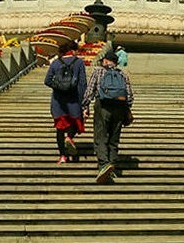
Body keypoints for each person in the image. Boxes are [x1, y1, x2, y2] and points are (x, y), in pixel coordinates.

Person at [83, 49, 134, 183]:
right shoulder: (123, 74)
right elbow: (129, 96)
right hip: (119, 107)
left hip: (103, 105)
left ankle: (104, 165)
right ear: (116, 62)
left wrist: (85, 105)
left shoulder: (98, 71)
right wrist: (126, 110)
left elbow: (90, 90)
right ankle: (112, 167)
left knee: (100, 136)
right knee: (114, 138)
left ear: (105, 61)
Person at [43, 42, 87, 164]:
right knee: (74, 122)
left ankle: (62, 156)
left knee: (60, 129)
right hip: (74, 100)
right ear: (72, 50)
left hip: (58, 101)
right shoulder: (79, 62)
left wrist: (59, 87)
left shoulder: (56, 63)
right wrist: (85, 103)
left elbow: (47, 81)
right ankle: (70, 137)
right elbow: (83, 83)